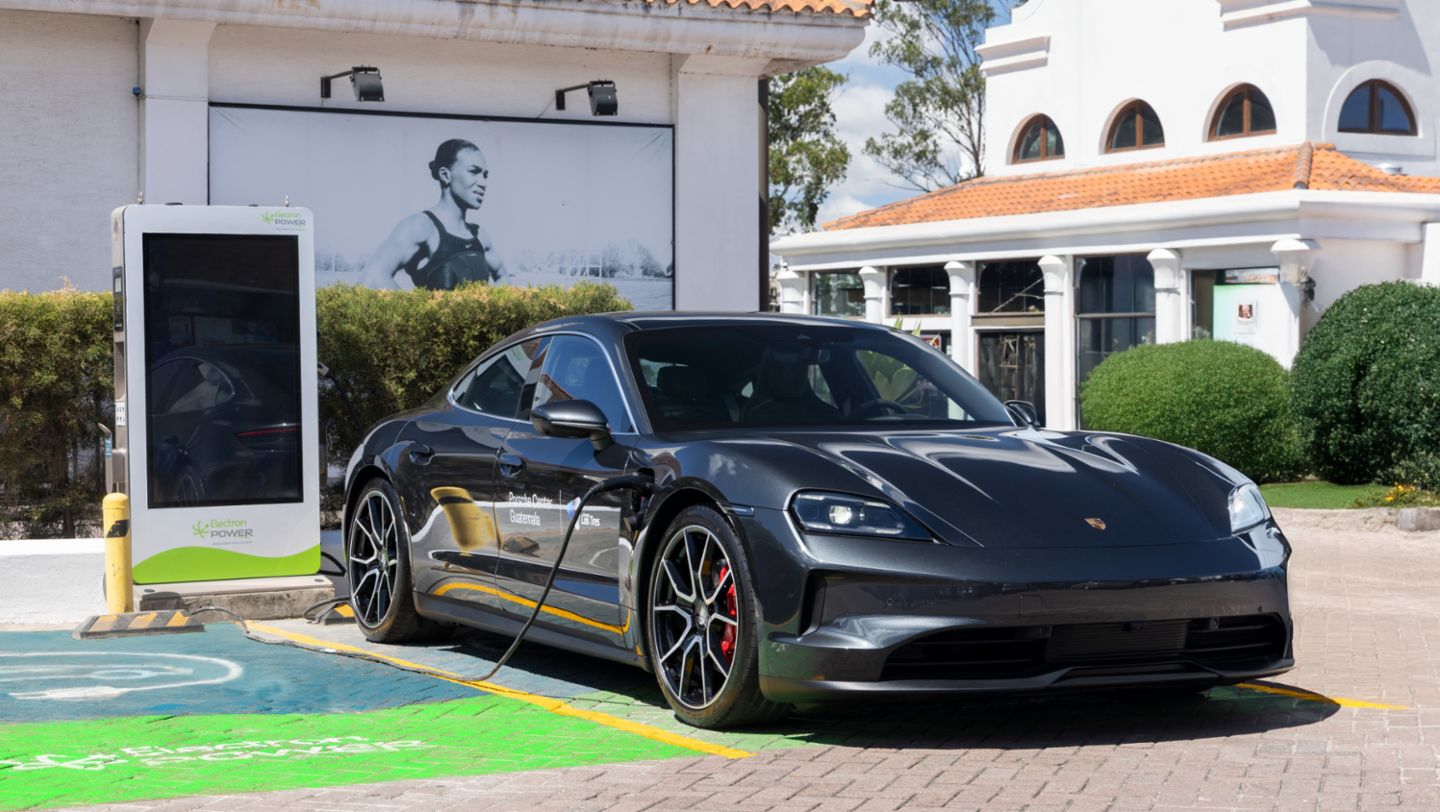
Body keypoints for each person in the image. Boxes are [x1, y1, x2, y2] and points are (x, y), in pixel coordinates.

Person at [363, 138, 505, 290]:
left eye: (485, 175)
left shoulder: (480, 236)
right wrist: (422, 310)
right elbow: (371, 280)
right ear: (445, 175)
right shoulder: (420, 227)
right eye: (473, 172)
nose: (483, 183)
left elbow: (503, 278)